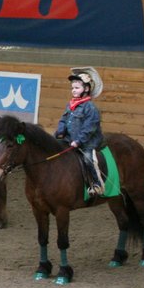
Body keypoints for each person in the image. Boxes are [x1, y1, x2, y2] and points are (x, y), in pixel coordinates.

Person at [55, 67, 105, 197]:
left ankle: (96, 184)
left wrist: (79, 141)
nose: (73, 90)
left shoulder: (90, 108)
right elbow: (63, 120)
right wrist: (60, 132)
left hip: (87, 141)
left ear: (86, 89)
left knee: (88, 159)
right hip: (70, 138)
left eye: (77, 88)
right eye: (72, 88)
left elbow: (89, 128)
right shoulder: (70, 105)